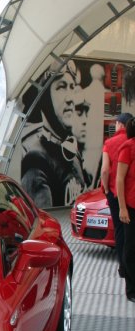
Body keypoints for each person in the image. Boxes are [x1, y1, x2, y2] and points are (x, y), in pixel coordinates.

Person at [21, 63, 87, 207]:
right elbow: (43, 219)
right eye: (62, 87)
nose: (71, 99)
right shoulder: (36, 160)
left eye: (71, 87)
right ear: (44, 98)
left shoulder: (72, 152)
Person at [101, 112, 133, 277]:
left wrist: (106, 189)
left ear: (120, 124)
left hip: (114, 192)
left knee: (120, 231)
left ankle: (123, 267)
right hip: (130, 194)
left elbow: (105, 170)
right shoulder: (131, 142)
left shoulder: (110, 142)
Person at [116, 118, 135, 301]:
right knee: (130, 249)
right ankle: (131, 289)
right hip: (131, 206)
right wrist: (122, 207)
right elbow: (120, 179)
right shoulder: (128, 148)